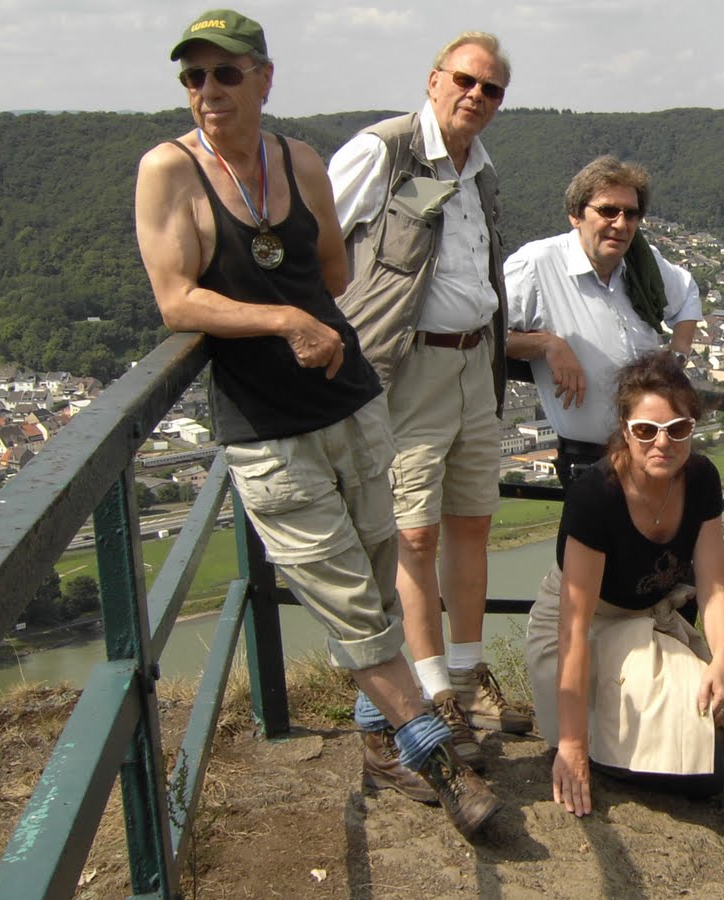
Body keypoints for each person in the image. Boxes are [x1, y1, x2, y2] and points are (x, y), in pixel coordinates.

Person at [134, 9, 499, 837]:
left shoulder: (297, 162)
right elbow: (174, 299)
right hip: (264, 424)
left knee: (376, 576)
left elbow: (332, 266)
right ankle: (441, 763)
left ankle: (382, 746)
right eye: (192, 76)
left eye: (225, 74)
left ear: (264, 78)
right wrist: (283, 321)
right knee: (346, 601)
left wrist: (313, 316)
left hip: (351, 399)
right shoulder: (169, 170)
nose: (208, 91)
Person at [328, 31, 527, 765]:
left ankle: (470, 677)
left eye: (492, 89)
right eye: (466, 81)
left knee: (471, 520)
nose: (476, 96)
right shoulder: (382, 151)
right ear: (435, 79)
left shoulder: (482, 171)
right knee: (414, 533)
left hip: (478, 362)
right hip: (407, 367)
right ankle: (432, 687)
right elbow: (320, 239)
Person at [524, 350, 724, 816]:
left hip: (646, 623)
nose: (662, 443)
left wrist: (723, 659)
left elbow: (715, 585)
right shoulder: (595, 494)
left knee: (705, 764)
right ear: (625, 429)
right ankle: (600, 747)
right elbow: (573, 628)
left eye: (678, 429)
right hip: (586, 627)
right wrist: (572, 745)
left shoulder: (701, 479)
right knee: (643, 756)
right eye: (646, 430)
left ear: (692, 428)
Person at [505, 156, 702, 486]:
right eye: (608, 210)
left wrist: (678, 353)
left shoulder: (643, 262)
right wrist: (547, 344)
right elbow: (487, 334)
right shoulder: (537, 265)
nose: (621, 224)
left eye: (631, 213)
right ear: (576, 214)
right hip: (589, 461)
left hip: (654, 451)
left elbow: (687, 293)